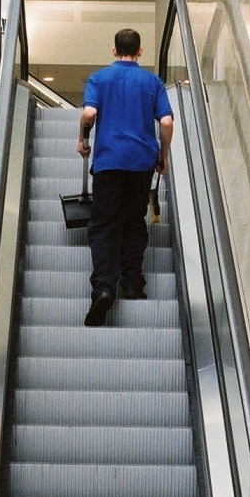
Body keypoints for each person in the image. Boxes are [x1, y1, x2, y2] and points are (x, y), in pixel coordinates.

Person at [77, 27, 174, 326]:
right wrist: (162, 156)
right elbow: (167, 122)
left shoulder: (99, 78)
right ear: (140, 51)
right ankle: (132, 284)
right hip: (141, 163)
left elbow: (89, 113)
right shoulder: (152, 82)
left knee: (104, 226)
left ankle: (105, 288)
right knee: (134, 222)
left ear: (113, 50)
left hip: (108, 161)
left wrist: (83, 139)